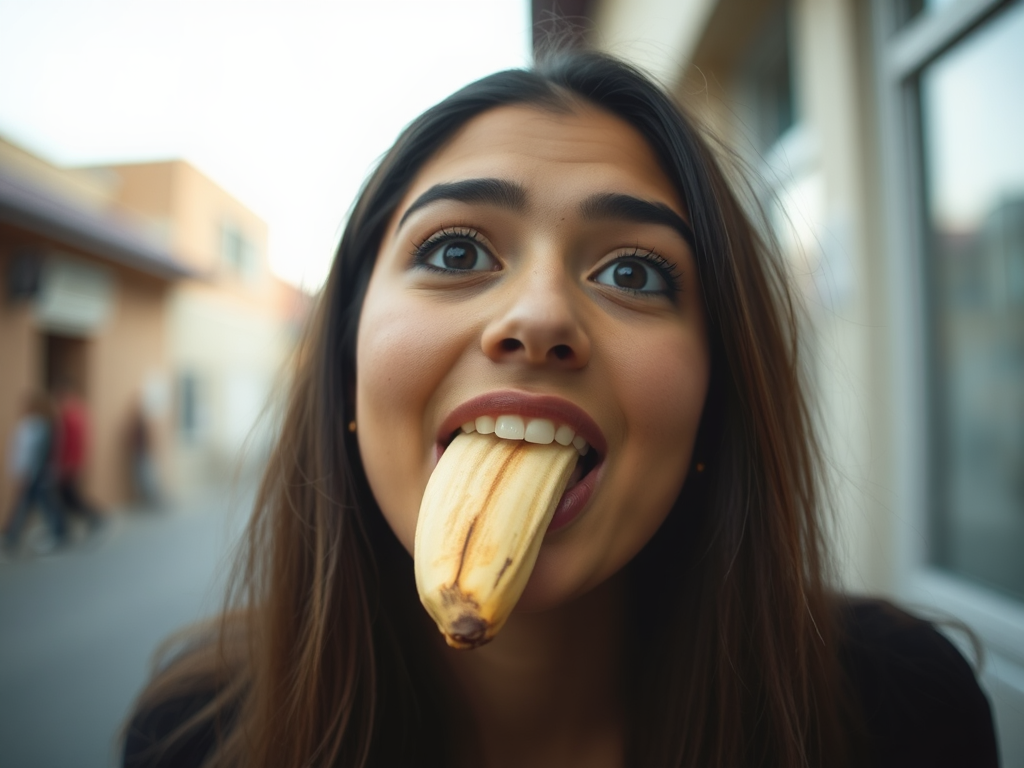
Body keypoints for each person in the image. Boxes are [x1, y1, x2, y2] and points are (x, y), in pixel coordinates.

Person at [123, 52, 998, 767]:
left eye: (634, 272)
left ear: (715, 392)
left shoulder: (900, 716)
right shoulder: (194, 738)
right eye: (456, 249)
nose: (538, 317)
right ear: (348, 355)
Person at [3, 392, 67, 554]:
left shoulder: (41, 426)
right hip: (38, 472)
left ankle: (12, 537)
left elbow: (40, 453)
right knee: (32, 504)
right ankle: (11, 536)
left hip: (38, 473)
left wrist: (34, 472)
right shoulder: (42, 424)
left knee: (39, 504)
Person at [54, 381, 105, 530]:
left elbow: (68, 442)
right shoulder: (79, 410)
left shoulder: (69, 413)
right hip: (74, 461)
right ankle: (90, 518)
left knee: (69, 497)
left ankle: (94, 516)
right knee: (68, 496)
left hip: (69, 463)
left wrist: (65, 464)